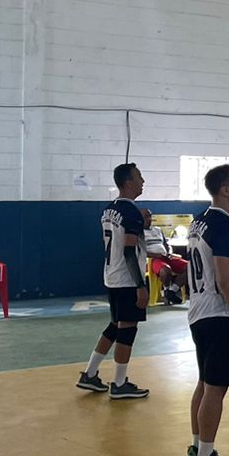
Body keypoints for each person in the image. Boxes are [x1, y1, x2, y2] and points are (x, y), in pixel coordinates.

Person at [185, 164, 229, 456]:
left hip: (199, 311)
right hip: (220, 315)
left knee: (205, 383)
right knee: (215, 388)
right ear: (225, 190)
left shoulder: (199, 222)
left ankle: (198, 447)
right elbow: (226, 279)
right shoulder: (224, 226)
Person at [78, 163, 150, 399]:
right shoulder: (131, 213)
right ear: (128, 183)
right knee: (127, 329)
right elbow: (129, 251)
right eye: (139, 177)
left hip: (111, 276)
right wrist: (140, 285)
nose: (143, 181)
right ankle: (119, 383)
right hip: (127, 279)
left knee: (115, 325)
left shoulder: (108, 210)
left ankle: (90, 373)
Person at [142, 210, 189, 305]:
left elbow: (166, 244)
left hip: (166, 256)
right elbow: (141, 251)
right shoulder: (139, 233)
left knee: (190, 267)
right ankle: (167, 289)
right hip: (153, 259)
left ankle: (171, 291)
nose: (149, 219)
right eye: (146, 216)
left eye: (150, 216)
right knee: (166, 270)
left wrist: (169, 252)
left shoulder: (158, 230)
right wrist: (157, 255)